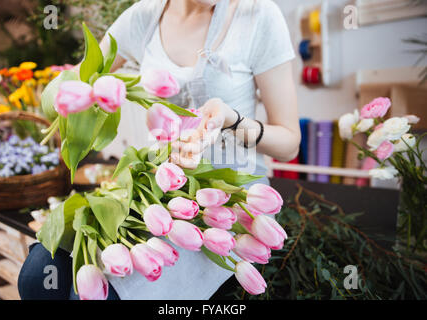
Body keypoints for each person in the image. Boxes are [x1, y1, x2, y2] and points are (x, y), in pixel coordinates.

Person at [18, 0, 300, 300]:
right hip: (156, 184)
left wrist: (231, 121)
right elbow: (66, 90)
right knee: (37, 277)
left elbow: (289, 142)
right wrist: (72, 93)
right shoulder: (143, 17)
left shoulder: (257, 14)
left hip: (226, 195)